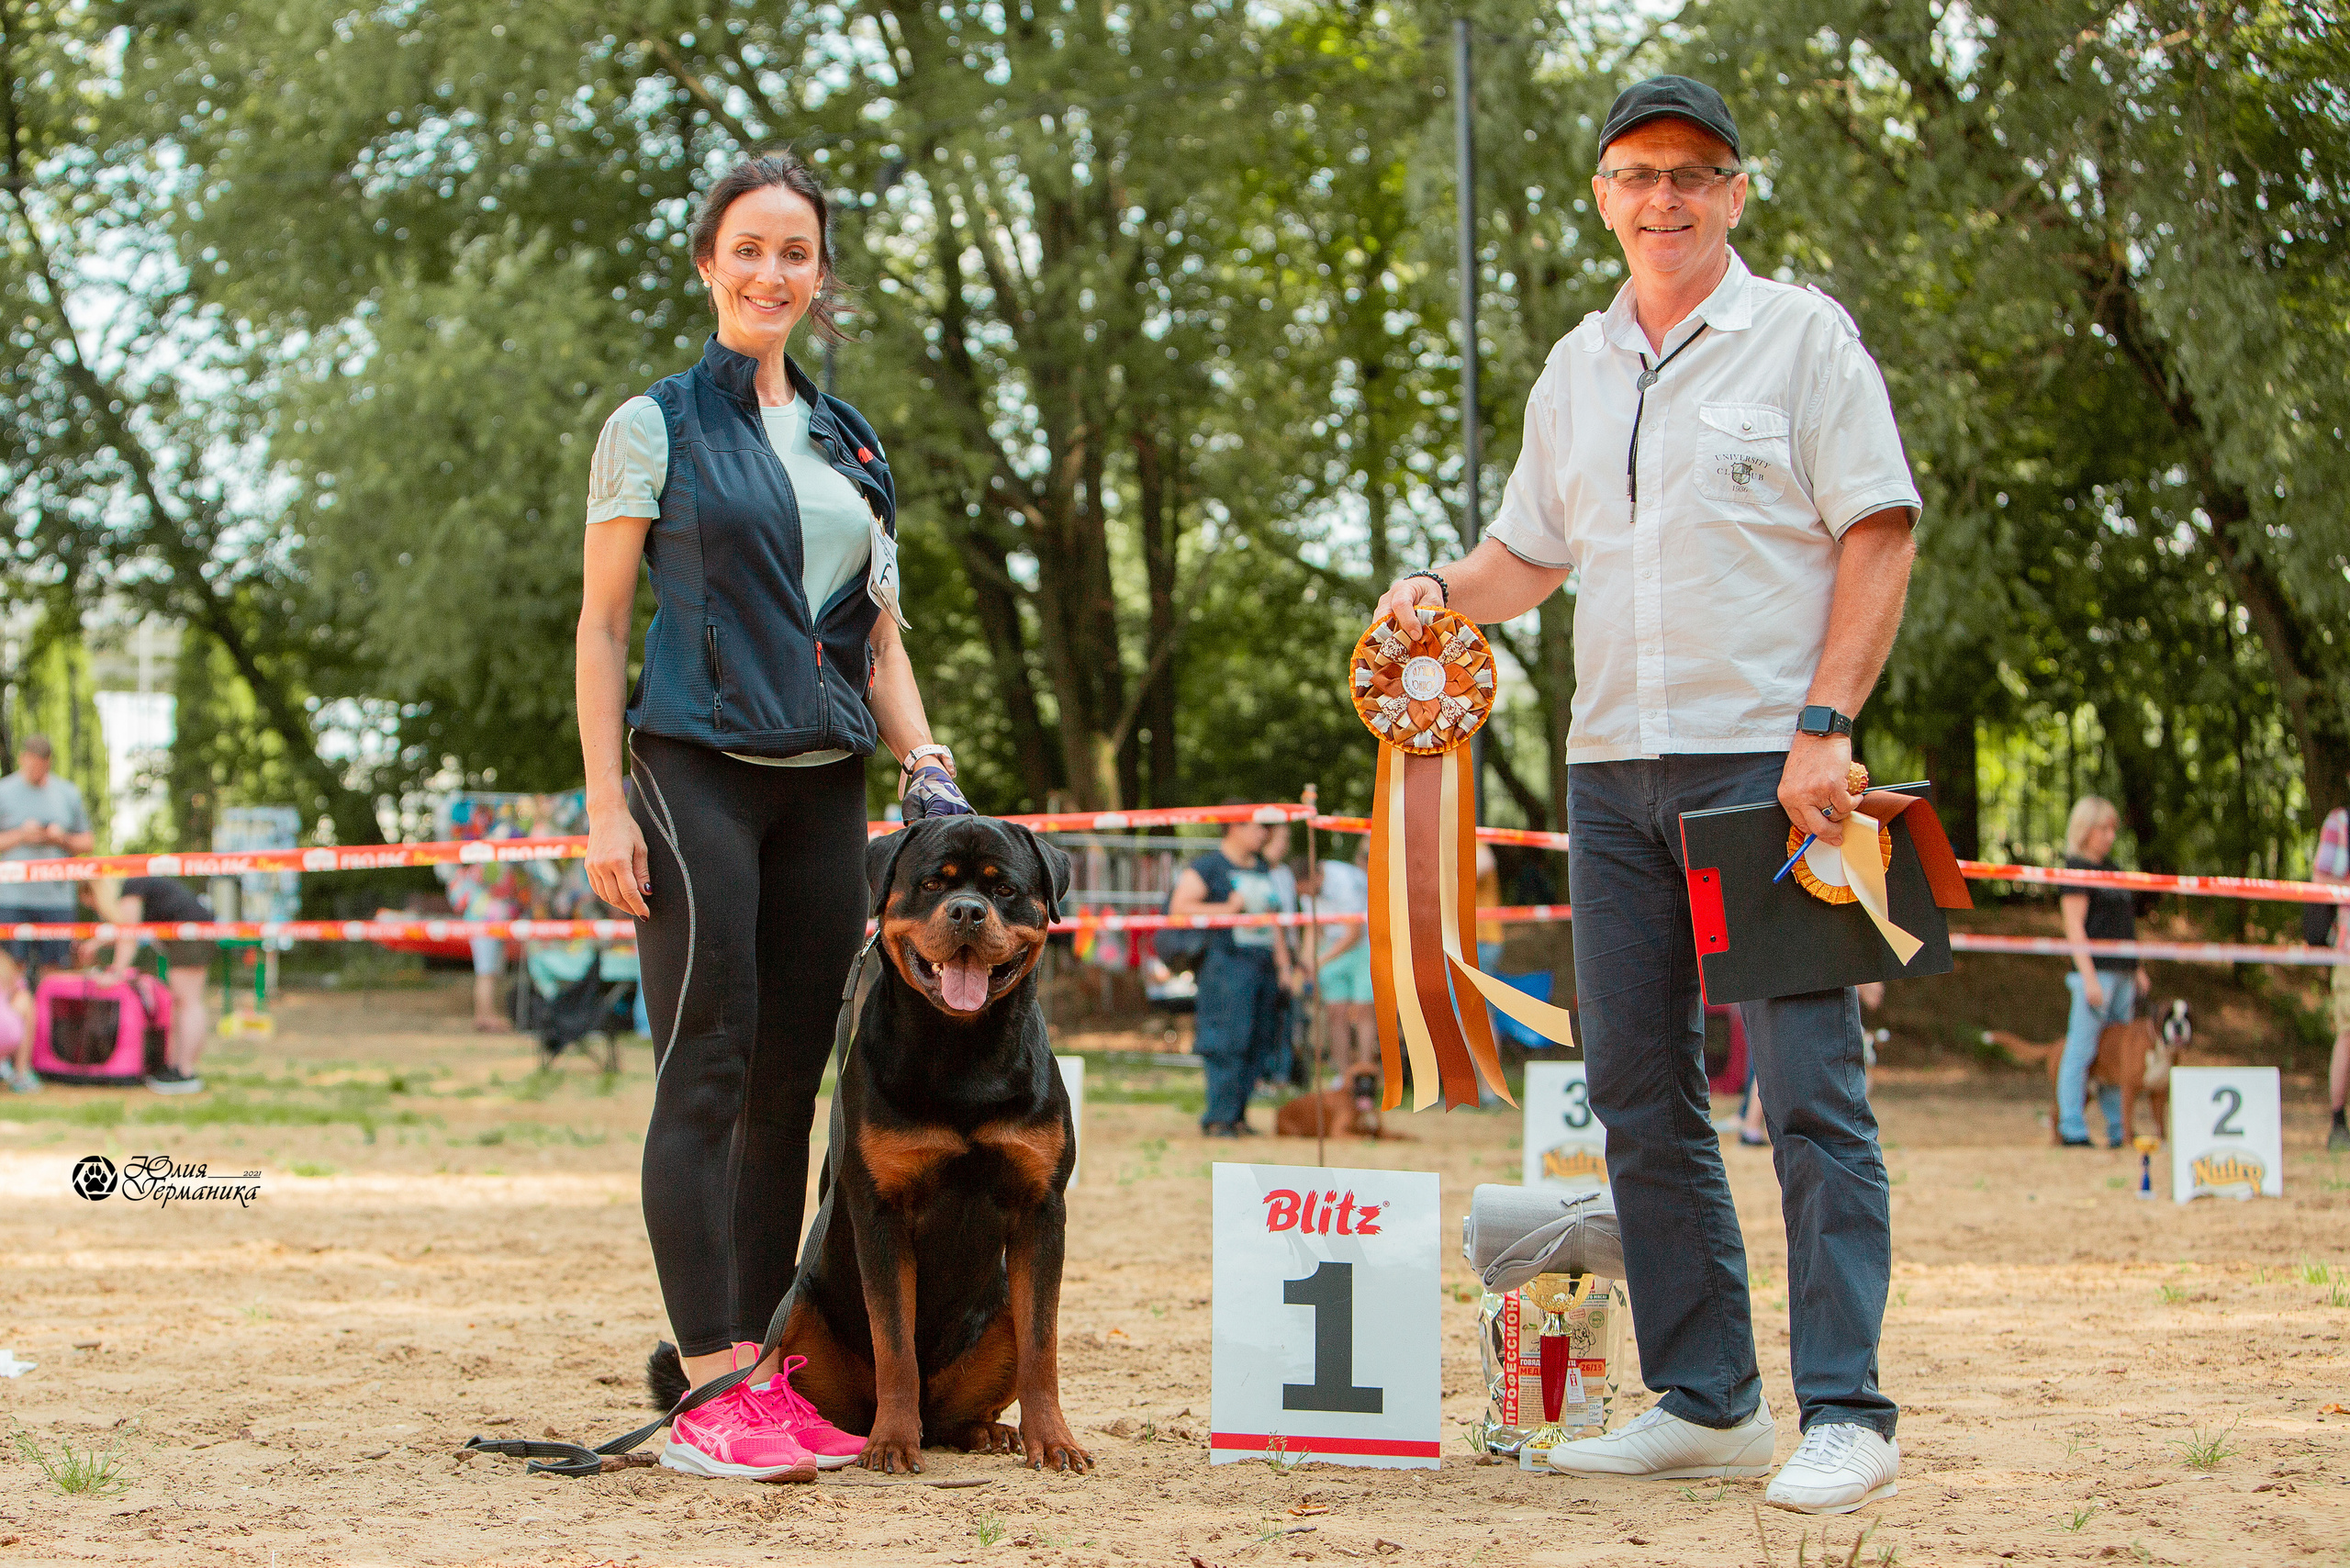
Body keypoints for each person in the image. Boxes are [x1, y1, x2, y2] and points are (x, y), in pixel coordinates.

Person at [1371, 75, 1921, 1514]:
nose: (1664, 198)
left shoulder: (1802, 337)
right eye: (1637, 174)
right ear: (1603, 195)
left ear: (1738, 190)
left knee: (1808, 1093)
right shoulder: (1576, 366)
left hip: (1772, 772)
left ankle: (1849, 1412)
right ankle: (1710, 1399)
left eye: (1694, 172)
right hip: (1610, 776)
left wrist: (1827, 724)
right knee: (1635, 1091)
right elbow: (1526, 559)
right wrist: (1438, 591)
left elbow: (1877, 530)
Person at [575, 151, 970, 1480]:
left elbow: (880, 641)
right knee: (707, 1064)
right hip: (694, 773)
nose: (770, 272)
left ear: (820, 273)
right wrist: (601, 808)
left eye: (794, 251)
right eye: (748, 248)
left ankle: (763, 1368)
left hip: (827, 793)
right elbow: (604, 622)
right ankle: (707, 1385)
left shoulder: (853, 442)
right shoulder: (655, 424)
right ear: (707, 262)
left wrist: (928, 768)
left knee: (789, 1085)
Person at [1169, 810, 1290, 1136]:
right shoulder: (1207, 866)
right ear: (1234, 826)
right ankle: (1218, 1117)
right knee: (1226, 1041)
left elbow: (1272, 918)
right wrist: (1227, 910)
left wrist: (1284, 965)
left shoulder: (1262, 867)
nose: (1263, 834)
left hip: (1262, 965)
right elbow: (1179, 908)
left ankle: (1237, 1115)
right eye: (1257, 827)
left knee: (1258, 1040)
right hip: (1226, 967)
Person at [2054, 798, 2151, 1149]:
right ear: (2085, 829)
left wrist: (2137, 967)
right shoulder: (2075, 869)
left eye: (2114, 829)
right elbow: (2074, 927)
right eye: (2103, 828)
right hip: (2095, 976)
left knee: (2115, 1057)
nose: (2110, 836)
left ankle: (2117, 1128)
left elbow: (2125, 925)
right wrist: (2089, 977)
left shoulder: (2113, 868)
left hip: (2123, 973)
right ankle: (2071, 1126)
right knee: (2081, 1051)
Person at [90, 876, 215, 1094]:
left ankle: (185, 1072)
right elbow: (126, 929)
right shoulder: (137, 887)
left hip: (189, 933)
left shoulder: (131, 888)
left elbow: (129, 935)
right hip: (192, 931)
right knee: (183, 1002)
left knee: (188, 1002)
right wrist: (97, 942)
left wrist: (115, 973)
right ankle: (177, 1068)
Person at [0, 735, 95, 982]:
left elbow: (88, 842)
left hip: (57, 899)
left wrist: (60, 839)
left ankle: (48, 1019)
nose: (35, 772)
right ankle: (15, 1021)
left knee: (55, 974)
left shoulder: (68, 793)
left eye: (41, 766)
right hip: (11, 898)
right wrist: (21, 835)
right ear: (22, 759)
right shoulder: (4, 791)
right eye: (31, 766)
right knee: (11, 973)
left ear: (49, 762)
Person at [1313, 843, 1377, 1081]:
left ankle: (1365, 1072)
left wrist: (1318, 960)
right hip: (1332, 948)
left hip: (1361, 947)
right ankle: (1344, 1076)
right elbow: (1314, 928)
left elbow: (1354, 933)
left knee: (1364, 1011)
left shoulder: (1347, 881)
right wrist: (1309, 962)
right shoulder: (1310, 884)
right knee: (1335, 1012)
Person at [2316, 798, 2350, 1153]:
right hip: (2349, 948)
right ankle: (2338, 1122)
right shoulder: (2341, 822)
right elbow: (2319, 880)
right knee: (2348, 1032)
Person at [446, 867, 515, 1033]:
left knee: (487, 974)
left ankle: (485, 1016)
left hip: (484, 923)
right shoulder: (484, 866)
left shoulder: (474, 867)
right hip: (485, 924)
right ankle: (486, 1018)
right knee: (486, 974)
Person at [0, 951, 38, 1094]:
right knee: (26, 999)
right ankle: (21, 1072)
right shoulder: (5, 963)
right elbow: (21, 987)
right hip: (9, 1034)